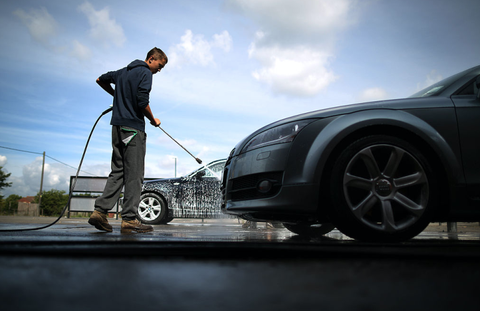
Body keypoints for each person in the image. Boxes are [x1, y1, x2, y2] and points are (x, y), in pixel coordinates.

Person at [88, 47, 168, 233]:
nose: (159, 70)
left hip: (116, 128)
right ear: (151, 59)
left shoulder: (122, 72)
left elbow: (101, 79)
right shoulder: (146, 73)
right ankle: (129, 219)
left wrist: (116, 95)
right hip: (132, 129)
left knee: (118, 171)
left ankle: (99, 212)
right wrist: (152, 119)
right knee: (134, 175)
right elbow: (142, 102)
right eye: (159, 66)